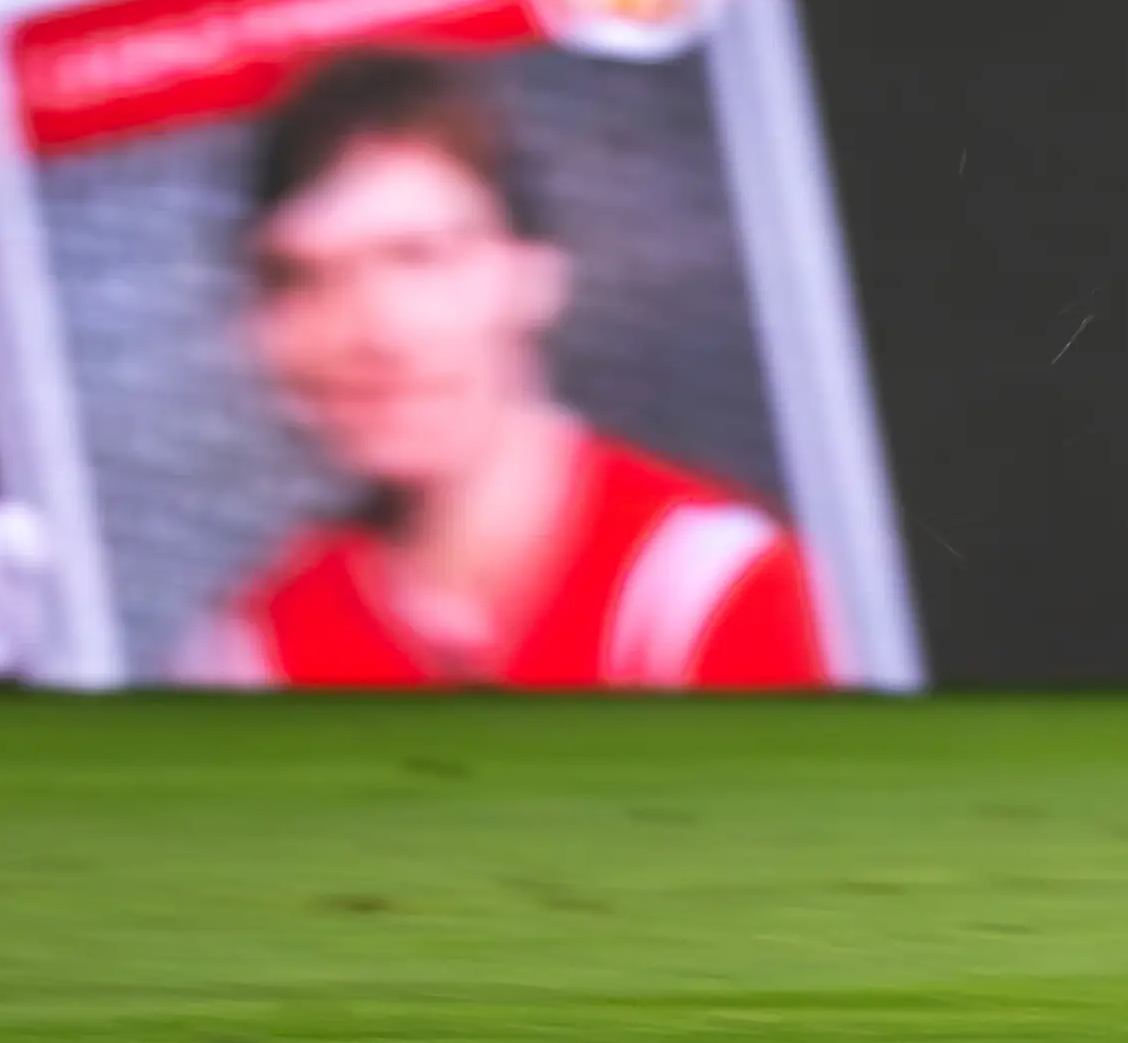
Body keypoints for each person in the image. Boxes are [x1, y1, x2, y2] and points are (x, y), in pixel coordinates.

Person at [179, 48, 828, 690]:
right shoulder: (256, 659)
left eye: (421, 258)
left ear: (535, 276)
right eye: (306, 279)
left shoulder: (708, 594)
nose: (377, 331)